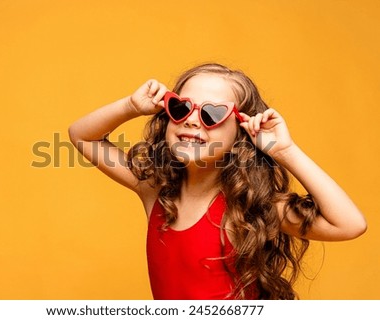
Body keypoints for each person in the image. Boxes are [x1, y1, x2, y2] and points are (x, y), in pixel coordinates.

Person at [68, 63, 367, 299]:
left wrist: (286, 151)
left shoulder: (252, 208)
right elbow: (82, 135)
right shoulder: (156, 191)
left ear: (242, 132)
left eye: (212, 114)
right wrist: (131, 106)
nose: (192, 120)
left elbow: (349, 224)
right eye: (181, 107)